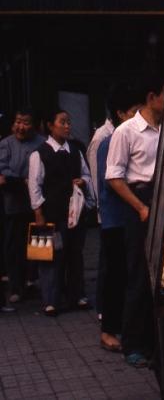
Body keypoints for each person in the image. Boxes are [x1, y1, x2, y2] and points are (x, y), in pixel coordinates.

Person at [106, 75, 164, 368]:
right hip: (138, 203)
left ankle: (159, 343)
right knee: (139, 275)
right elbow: (114, 178)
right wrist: (141, 208)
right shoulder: (126, 131)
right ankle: (134, 344)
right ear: (152, 96)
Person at [28, 109, 95, 316]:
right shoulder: (39, 153)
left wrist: (83, 181)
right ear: (50, 125)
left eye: (69, 122)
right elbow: (34, 185)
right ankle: (51, 300)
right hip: (51, 214)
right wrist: (38, 212)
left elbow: (86, 173)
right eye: (62, 122)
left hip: (75, 214)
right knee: (50, 256)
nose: (67, 126)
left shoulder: (75, 150)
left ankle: (77, 295)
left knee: (75, 254)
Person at [96, 84, 142, 352]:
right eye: (135, 111)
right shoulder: (109, 142)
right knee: (115, 277)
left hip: (129, 218)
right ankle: (108, 331)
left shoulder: (127, 137)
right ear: (121, 113)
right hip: (116, 220)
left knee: (129, 275)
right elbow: (112, 182)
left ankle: (127, 325)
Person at [0, 109, 45, 305]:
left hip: (39, 205)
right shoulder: (5, 144)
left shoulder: (42, 143)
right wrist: (22, 180)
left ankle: (36, 283)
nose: (21, 126)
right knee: (15, 247)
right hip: (14, 205)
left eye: (26, 122)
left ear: (33, 125)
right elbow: (2, 172)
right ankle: (17, 286)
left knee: (40, 244)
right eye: (18, 121)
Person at [87, 107, 116, 320]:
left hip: (113, 209)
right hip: (106, 208)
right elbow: (97, 178)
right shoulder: (101, 137)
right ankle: (103, 307)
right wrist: (101, 207)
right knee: (107, 260)